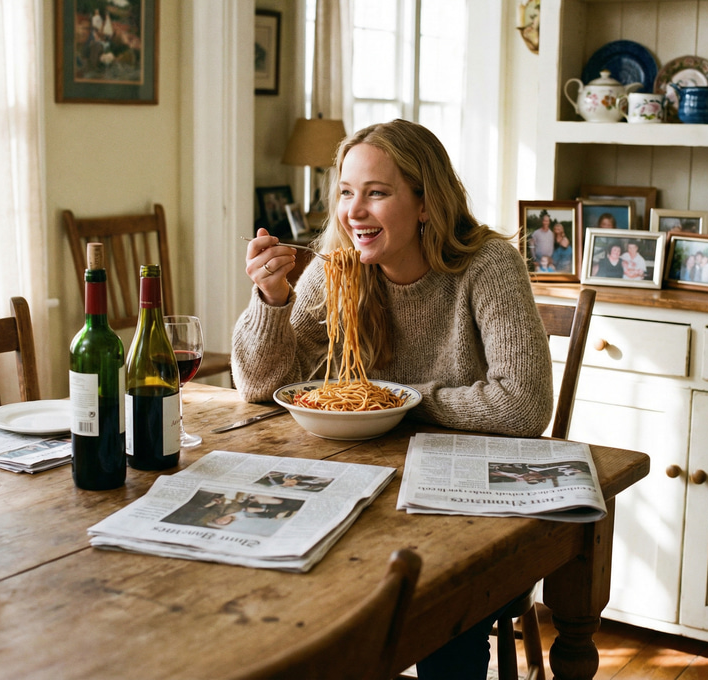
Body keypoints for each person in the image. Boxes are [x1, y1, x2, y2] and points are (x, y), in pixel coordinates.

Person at [232, 119, 554, 680]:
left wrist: (396, 400)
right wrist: (272, 297)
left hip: (467, 514)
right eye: (346, 193)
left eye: (377, 193)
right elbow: (259, 385)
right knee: (272, 583)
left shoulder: (487, 265)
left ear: (426, 203)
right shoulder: (340, 265)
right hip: (361, 498)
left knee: (439, 613)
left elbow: (523, 405)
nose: (354, 211)